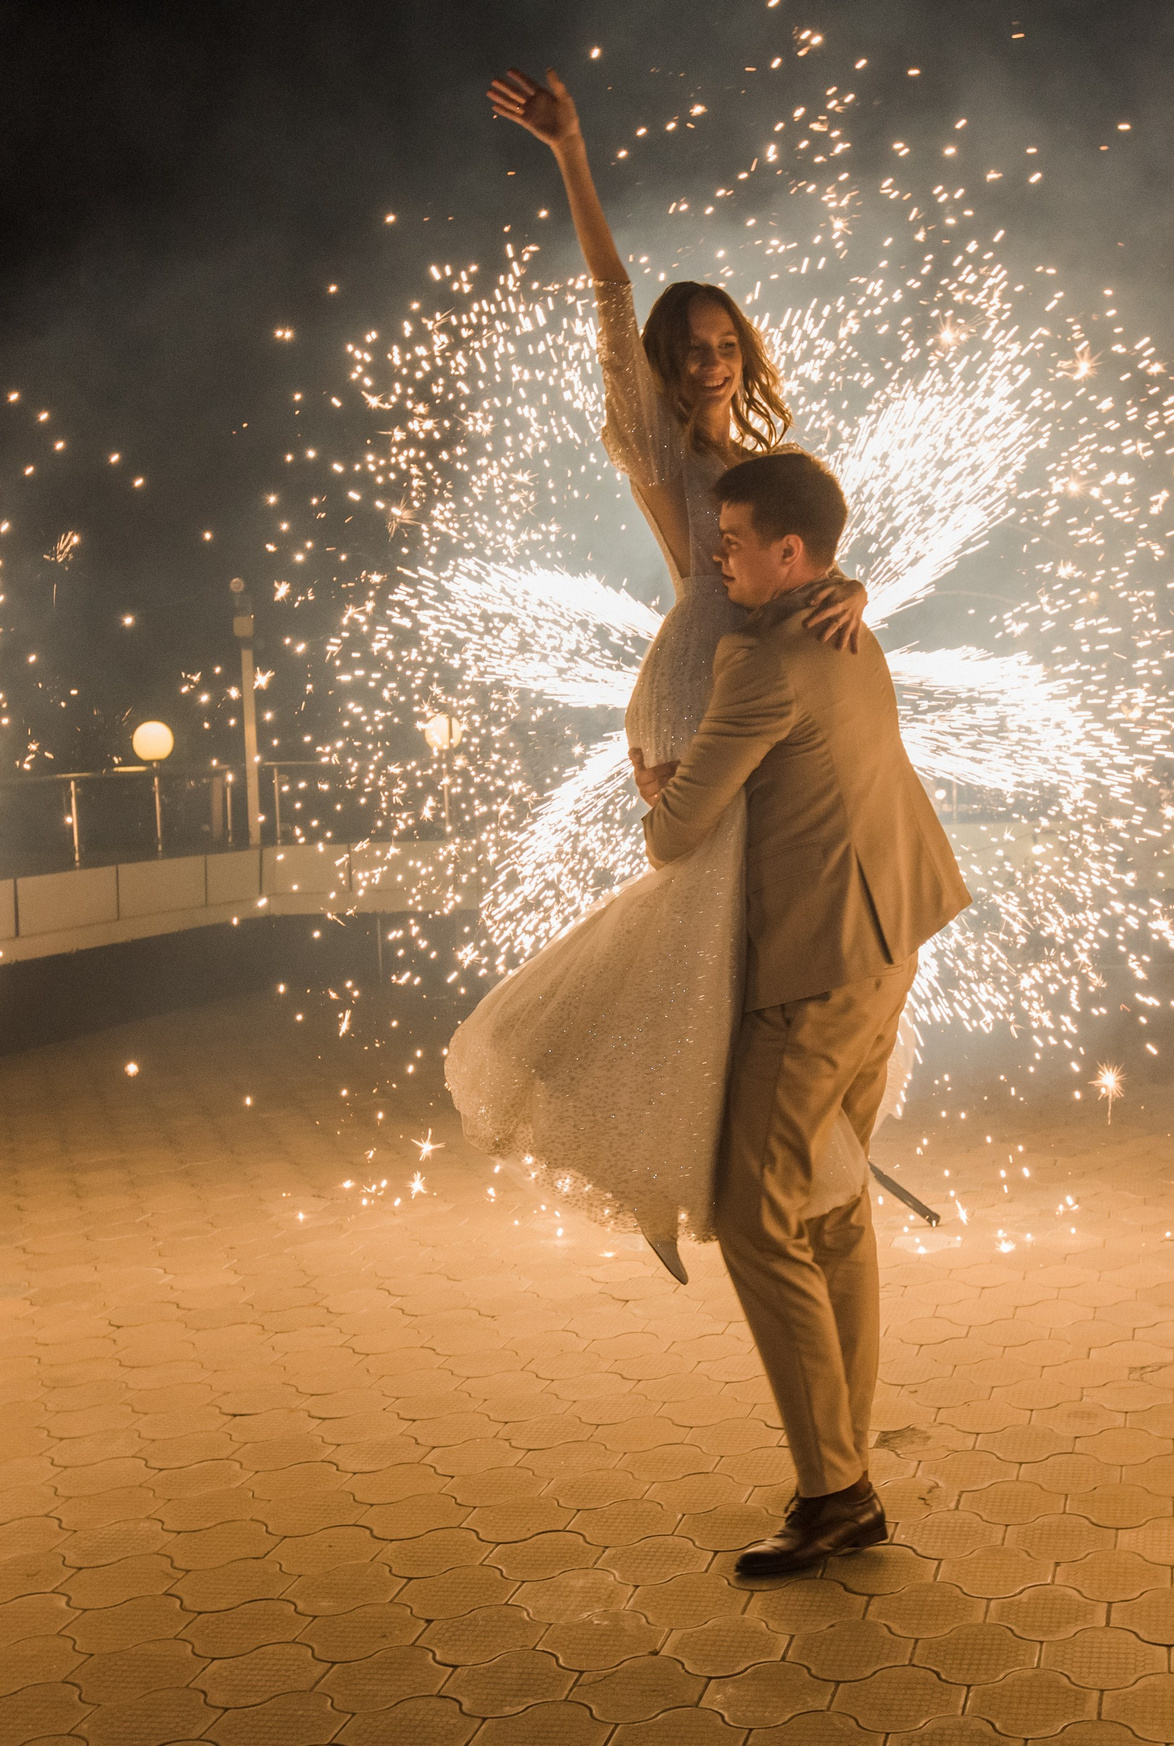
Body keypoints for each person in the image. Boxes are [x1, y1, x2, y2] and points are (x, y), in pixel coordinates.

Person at [445, 68, 871, 1282]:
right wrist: (571, 155)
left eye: (725, 347)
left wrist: (849, 587)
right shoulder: (659, 445)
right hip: (699, 674)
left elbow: (798, 556)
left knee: (728, 917)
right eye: (690, 353)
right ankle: (639, 1138)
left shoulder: (758, 461)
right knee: (703, 905)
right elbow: (609, 293)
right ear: (664, 367)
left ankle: (691, 1146)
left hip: (752, 667)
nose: (711, 365)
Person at [636, 451, 969, 1577]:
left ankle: (836, 1492)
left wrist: (658, 788)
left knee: (754, 1216)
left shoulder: (763, 656)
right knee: (833, 1205)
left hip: (816, 969)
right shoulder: (848, 630)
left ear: (790, 554)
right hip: (890, 941)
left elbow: (676, 835)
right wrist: (848, 583)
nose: (715, 556)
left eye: (732, 541)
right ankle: (843, 1467)